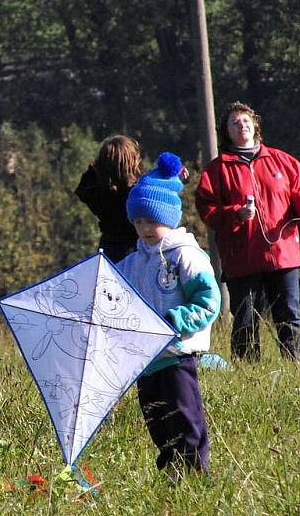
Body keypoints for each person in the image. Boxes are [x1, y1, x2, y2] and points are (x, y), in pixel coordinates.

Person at [117, 152, 221, 482]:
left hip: (177, 356)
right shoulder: (132, 263)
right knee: (158, 423)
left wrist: (175, 320)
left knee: (186, 419)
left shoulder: (187, 257)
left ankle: (197, 474)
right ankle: (172, 475)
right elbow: (114, 297)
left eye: (151, 220)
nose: (144, 228)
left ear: (169, 217)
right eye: (137, 221)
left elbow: (208, 302)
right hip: (145, 361)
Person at [195, 101, 300, 362]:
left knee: (289, 316)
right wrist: (236, 214)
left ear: (255, 125)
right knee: (245, 319)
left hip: (282, 255)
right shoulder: (217, 170)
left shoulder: (283, 160)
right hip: (242, 258)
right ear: (226, 132)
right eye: (234, 123)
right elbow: (207, 210)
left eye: (245, 121)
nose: (241, 125)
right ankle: (248, 374)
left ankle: (297, 368)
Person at [74, 135, 142, 262]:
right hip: (135, 251)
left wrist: (99, 166)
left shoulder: (98, 192)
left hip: (108, 250)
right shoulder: (136, 194)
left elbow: (84, 186)